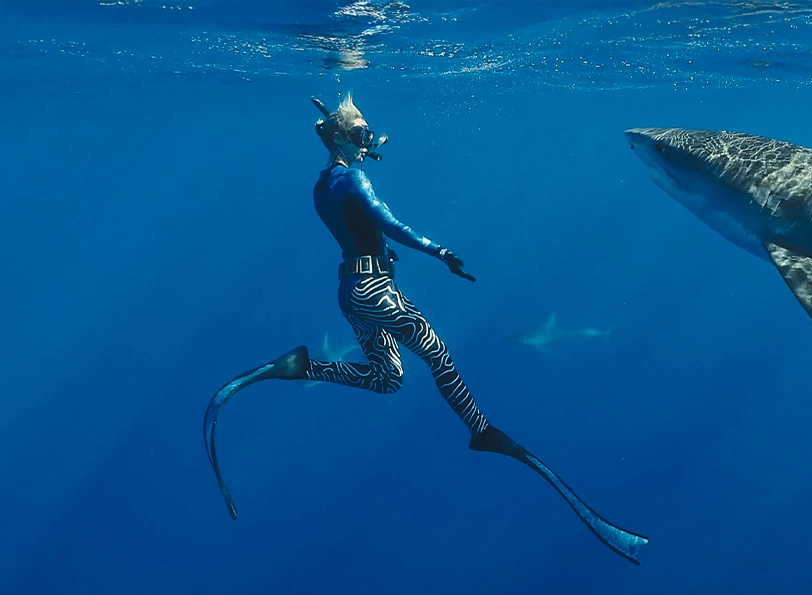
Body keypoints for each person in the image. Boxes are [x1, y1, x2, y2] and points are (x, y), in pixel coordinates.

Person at [202, 94, 647, 564]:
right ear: (337, 136)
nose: (367, 141)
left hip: (351, 288)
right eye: (359, 134)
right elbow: (387, 222)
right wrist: (439, 252)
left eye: (367, 134)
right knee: (437, 353)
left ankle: (300, 366)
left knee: (387, 379)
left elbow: (351, 229)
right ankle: (482, 430)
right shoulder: (353, 176)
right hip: (376, 290)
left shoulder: (322, 183)